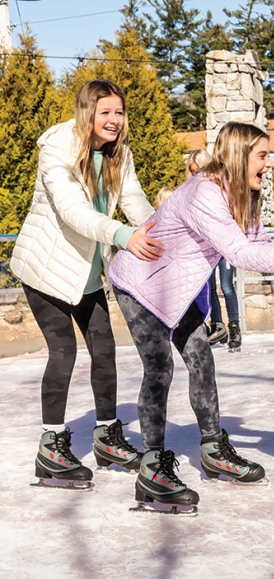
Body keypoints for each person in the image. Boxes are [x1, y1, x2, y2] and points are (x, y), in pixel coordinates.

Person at [106, 122, 274, 512]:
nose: (270, 164)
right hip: (142, 285)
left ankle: (213, 450)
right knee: (159, 369)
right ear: (238, 155)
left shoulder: (241, 193)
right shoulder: (204, 192)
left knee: (202, 362)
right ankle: (152, 467)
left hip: (180, 290)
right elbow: (239, 253)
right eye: (262, 155)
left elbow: (257, 242)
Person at [11, 79, 164, 489]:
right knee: (64, 353)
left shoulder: (119, 155)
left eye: (119, 112)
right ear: (87, 113)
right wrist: (122, 236)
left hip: (87, 271)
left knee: (105, 350)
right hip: (47, 268)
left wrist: (160, 231)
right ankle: (51, 446)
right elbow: (72, 210)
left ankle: (107, 435)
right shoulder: (57, 150)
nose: (114, 120)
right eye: (105, 112)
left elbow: (134, 201)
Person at [184, 150, 240, 349]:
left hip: (224, 244)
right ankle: (218, 325)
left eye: (198, 169)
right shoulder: (190, 191)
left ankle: (235, 327)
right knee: (210, 288)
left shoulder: (222, 188)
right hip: (206, 246)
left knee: (226, 286)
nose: (196, 174)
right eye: (192, 171)